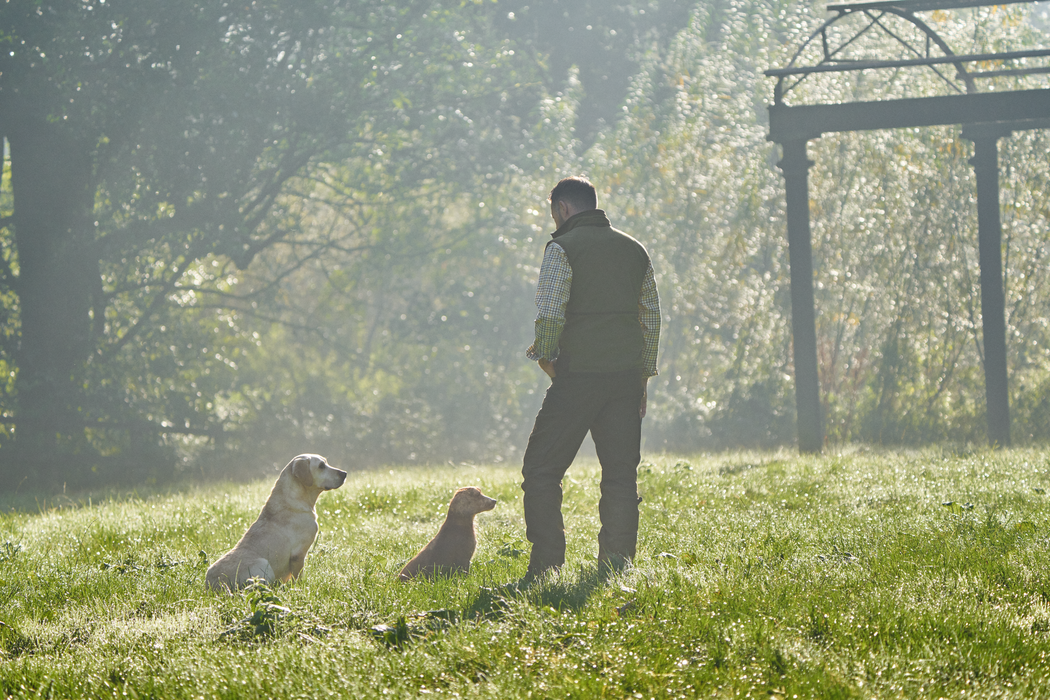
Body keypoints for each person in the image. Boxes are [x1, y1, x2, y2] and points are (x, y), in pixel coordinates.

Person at [521, 175, 660, 578]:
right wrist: (643, 379)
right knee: (620, 475)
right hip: (624, 379)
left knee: (542, 470)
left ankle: (547, 567)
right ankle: (616, 567)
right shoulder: (635, 250)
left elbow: (549, 312)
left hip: (578, 375)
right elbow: (650, 318)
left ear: (563, 208)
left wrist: (547, 358)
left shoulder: (562, 248)